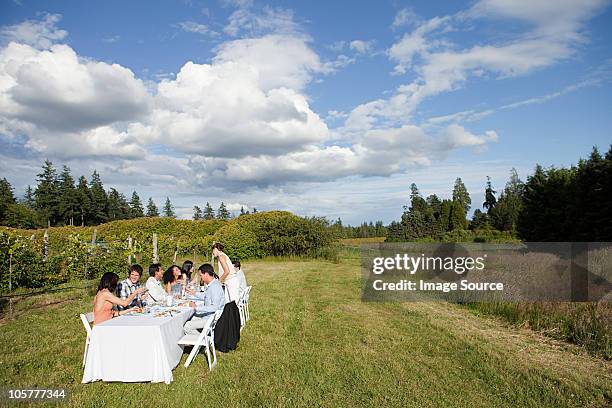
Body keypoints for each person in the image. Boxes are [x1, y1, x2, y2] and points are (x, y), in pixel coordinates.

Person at [184, 264, 226, 335]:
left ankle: (204, 342)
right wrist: (194, 293)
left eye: (201, 275)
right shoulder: (213, 284)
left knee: (187, 326)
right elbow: (207, 296)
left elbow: (214, 307)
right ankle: (193, 341)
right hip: (210, 315)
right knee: (190, 318)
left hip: (212, 318)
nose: (201, 278)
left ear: (206, 274)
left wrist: (196, 307)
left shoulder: (215, 287)